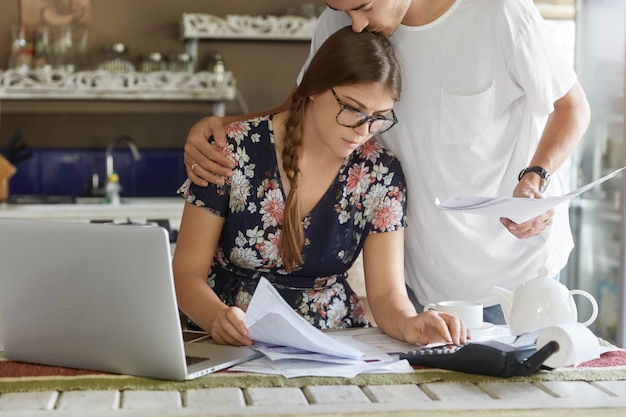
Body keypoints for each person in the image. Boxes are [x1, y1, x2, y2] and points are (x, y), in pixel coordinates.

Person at [182, 0, 591, 324]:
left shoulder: (498, 11)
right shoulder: (341, 20)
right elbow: (298, 107)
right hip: (417, 283)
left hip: (514, 274)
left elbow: (572, 108)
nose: (356, 24)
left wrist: (536, 179)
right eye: (344, 10)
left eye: (363, 6)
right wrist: (214, 128)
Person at [173, 26, 468, 347]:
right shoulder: (232, 150)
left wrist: (410, 323)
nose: (363, 130)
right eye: (353, 109)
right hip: (229, 337)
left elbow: (386, 294)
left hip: (334, 342)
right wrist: (216, 317)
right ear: (314, 87)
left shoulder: (381, 172)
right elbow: (186, 273)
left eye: (379, 117)